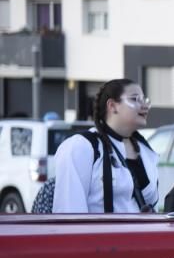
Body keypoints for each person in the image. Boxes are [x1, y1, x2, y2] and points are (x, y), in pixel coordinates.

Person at [52, 78, 158, 213]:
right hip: (96, 234)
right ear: (112, 106)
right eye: (135, 99)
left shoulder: (146, 151)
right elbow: (69, 213)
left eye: (145, 100)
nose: (145, 106)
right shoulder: (81, 147)